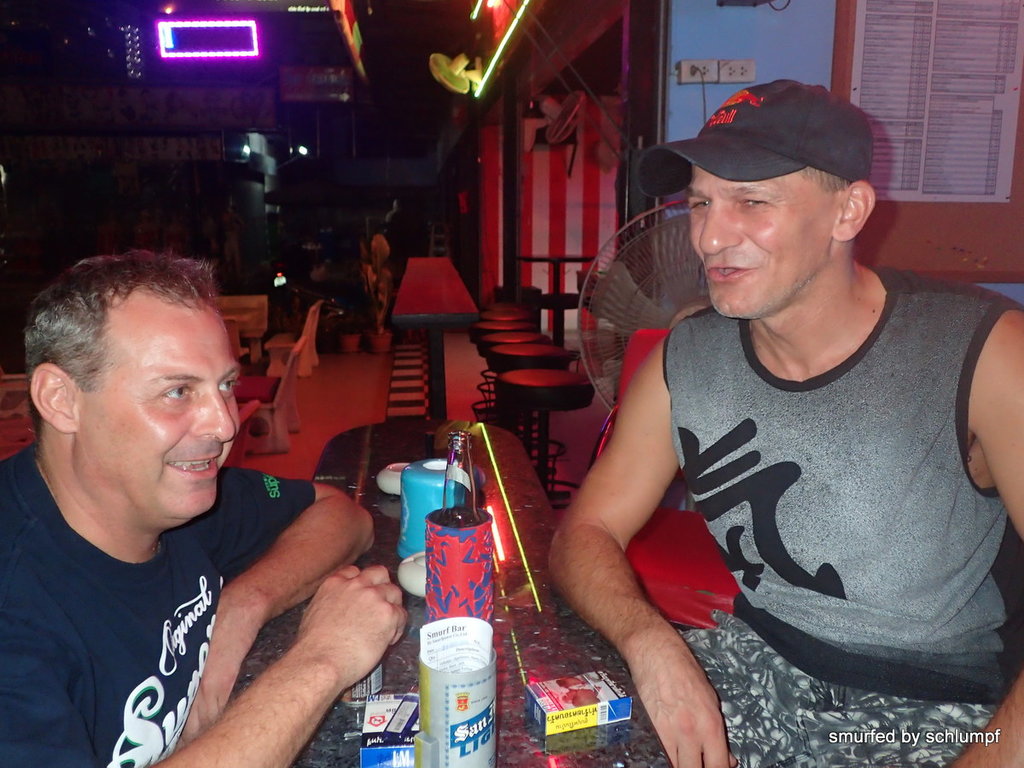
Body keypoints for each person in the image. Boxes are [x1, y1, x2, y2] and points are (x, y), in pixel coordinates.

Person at [550, 80, 1024, 768]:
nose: (710, 237)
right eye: (701, 202)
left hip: (922, 715)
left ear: (848, 211)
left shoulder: (983, 353)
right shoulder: (687, 359)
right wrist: (651, 644)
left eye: (752, 201)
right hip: (751, 665)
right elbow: (584, 532)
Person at [0, 251, 407, 767]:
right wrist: (322, 659)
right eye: (177, 391)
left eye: (226, 386)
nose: (224, 425)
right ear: (61, 399)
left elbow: (342, 516)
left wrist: (241, 607)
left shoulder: (172, 498)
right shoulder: (16, 607)